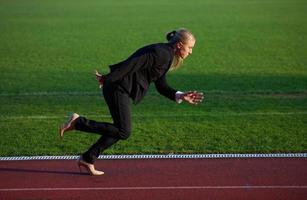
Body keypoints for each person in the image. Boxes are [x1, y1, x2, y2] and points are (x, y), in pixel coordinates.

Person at [59, 28, 204, 175]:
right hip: (117, 87)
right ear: (179, 45)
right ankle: (78, 123)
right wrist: (108, 78)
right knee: (123, 131)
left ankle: (88, 158)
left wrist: (180, 95)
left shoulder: (166, 55)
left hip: (120, 88)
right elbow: (133, 63)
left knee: (120, 129)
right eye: (190, 47)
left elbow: (161, 85)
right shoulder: (161, 53)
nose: (191, 52)